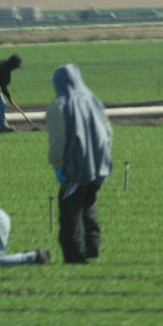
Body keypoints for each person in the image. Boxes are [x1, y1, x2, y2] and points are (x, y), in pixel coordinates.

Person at [46, 63, 113, 264]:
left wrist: (58, 165)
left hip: (74, 169)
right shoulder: (93, 101)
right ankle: (92, 247)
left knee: (70, 212)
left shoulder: (59, 105)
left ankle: (75, 256)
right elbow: (108, 134)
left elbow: (58, 141)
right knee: (88, 205)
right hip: (98, 168)